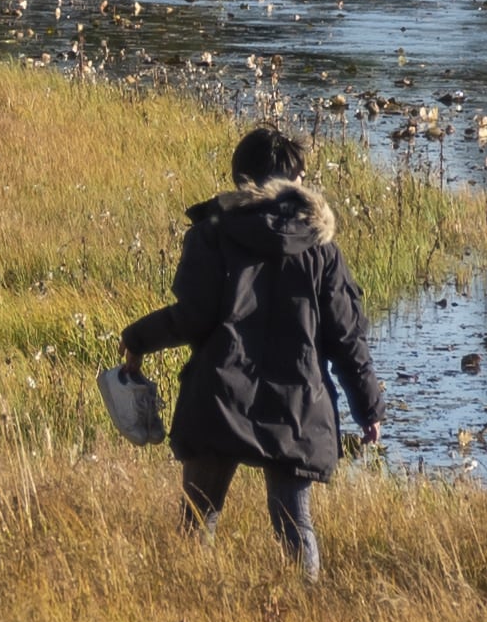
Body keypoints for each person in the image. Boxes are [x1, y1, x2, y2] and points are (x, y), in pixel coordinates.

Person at [116, 126, 382, 576]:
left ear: (242, 177)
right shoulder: (323, 251)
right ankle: (307, 612)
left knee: (198, 519)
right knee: (296, 524)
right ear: (295, 178)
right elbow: (346, 337)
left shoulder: (211, 234)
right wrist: (368, 408)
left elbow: (192, 316)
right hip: (297, 406)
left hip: (219, 396)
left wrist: (138, 337)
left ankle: (188, 606)